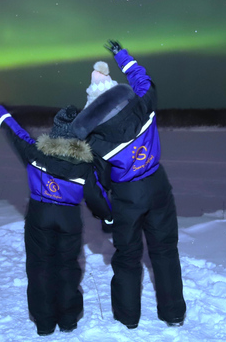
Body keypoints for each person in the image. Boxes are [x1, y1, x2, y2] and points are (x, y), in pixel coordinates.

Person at [72, 40, 186, 329]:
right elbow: (143, 80)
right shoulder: (143, 105)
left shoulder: (96, 141)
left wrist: (107, 214)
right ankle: (173, 313)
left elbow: (95, 185)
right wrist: (122, 56)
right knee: (165, 252)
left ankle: (127, 318)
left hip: (127, 197)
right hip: (158, 185)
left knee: (128, 257)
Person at [0, 104, 112, 336]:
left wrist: (3, 115)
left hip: (40, 217)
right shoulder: (85, 166)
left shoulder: (35, 153)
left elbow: (19, 135)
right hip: (69, 220)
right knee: (67, 267)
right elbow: (96, 195)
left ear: (56, 129)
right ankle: (68, 319)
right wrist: (107, 217)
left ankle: (45, 322)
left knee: (40, 267)